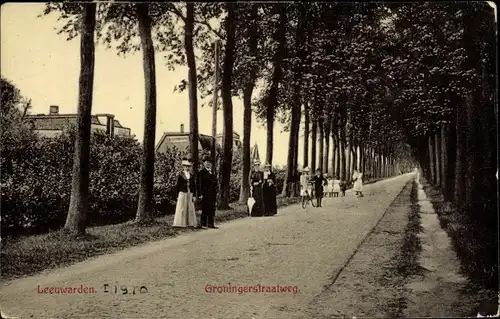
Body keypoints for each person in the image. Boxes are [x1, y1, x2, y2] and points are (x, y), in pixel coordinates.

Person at [173, 158, 198, 228]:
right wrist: (177, 195)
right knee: (182, 208)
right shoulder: (180, 175)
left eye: (188, 166)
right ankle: (180, 223)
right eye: (186, 166)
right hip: (182, 192)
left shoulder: (191, 175)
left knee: (190, 207)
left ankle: (190, 223)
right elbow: (177, 186)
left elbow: (193, 186)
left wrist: (194, 195)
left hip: (189, 192)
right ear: (183, 167)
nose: (187, 168)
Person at [197, 155, 218, 229]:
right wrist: (200, 194)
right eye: (207, 162)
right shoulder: (201, 173)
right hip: (205, 193)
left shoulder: (213, 172)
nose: (208, 164)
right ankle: (203, 223)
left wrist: (216, 192)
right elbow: (199, 184)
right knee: (205, 208)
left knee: (212, 208)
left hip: (212, 193)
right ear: (204, 163)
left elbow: (215, 183)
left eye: (210, 163)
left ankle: (211, 223)